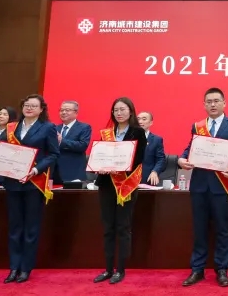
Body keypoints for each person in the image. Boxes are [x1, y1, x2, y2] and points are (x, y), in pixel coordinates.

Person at [178, 87, 228, 287]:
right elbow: (190, 149)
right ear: (204, 105)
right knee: (199, 229)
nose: (213, 104)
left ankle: (222, 269)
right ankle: (197, 269)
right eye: (209, 101)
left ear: (224, 103)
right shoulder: (198, 126)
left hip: (222, 186)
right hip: (199, 185)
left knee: (223, 229)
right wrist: (181, 159)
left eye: (216, 101)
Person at [0, 94, 58, 283]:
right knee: (14, 227)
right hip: (13, 182)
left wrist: (36, 169)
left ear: (41, 109)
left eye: (33, 106)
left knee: (31, 228)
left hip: (34, 183)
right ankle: (13, 267)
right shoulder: (12, 127)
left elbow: (53, 154)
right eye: (26, 105)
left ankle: (26, 268)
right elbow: (1, 150)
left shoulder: (47, 127)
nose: (29, 108)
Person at [93, 97, 147, 284]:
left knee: (123, 227)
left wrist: (121, 168)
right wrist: (100, 166)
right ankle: (108, 269)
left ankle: (120, 270)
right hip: (107, 185)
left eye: (122, 109)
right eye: (115, 110)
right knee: (108, 227)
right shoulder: (107, 133)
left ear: (130, 111)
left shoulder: (138, 132)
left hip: (126, 185)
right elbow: (100, 156)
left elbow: (139, 158)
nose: (119, 113)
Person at [55, 101, 92, 185]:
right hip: (55, 173)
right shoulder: (55, 128)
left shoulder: (84, 127)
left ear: (76, 113)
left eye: (67, 110)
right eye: (61, 110)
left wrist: (61, 141)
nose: (63, 112)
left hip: (74, 172)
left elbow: (82, 146)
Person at [141, 115, 167, 186]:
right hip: (129, 179)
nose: (140, 121)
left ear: (151, 123)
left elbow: (161, 159)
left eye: (144, 119)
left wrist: (155, 171)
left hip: (147, 178)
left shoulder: (156, 140)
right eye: (138, 119)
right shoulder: (129, 138)